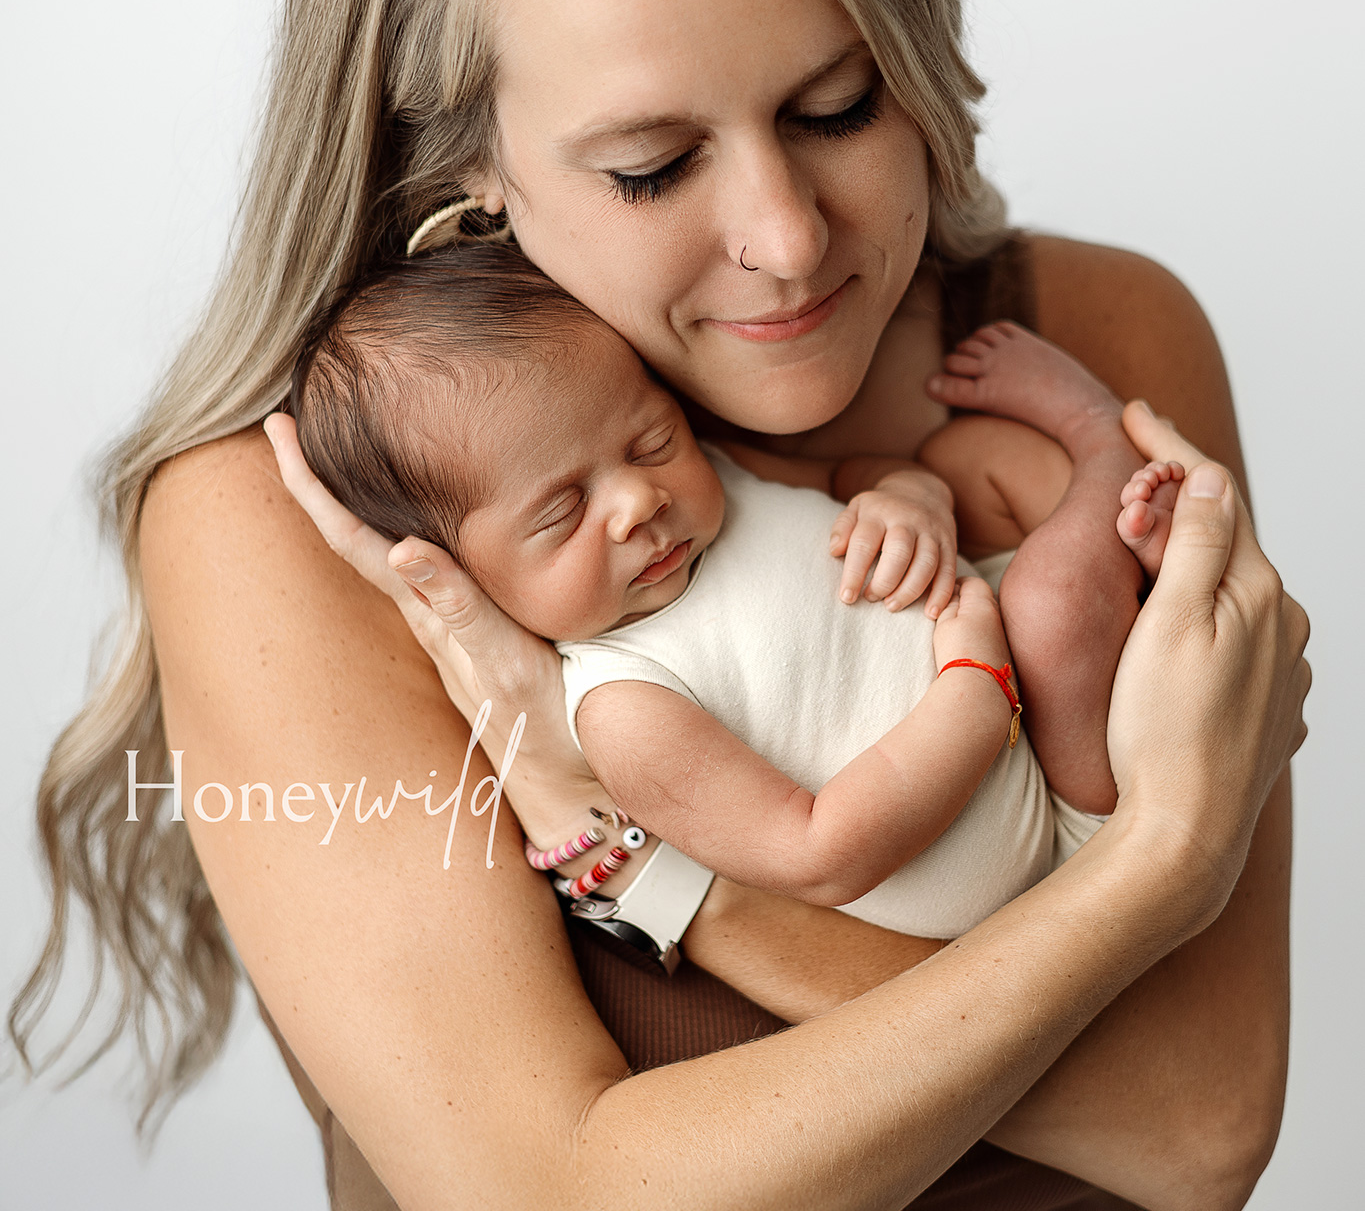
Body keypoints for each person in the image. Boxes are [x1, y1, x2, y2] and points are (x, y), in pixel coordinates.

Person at [11, 0, 1308, 1211]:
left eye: (840, 104)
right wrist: (1150, 866)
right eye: (651, 163)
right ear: (468, 172)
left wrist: (634, 859)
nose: (784, 236)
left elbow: (1194, 1125)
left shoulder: (1085, 341)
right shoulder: (303, 523)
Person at [288, 241, 1188, 937]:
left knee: (964, 459)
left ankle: (1133, 545)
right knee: (1053, 606)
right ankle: (1098, 436)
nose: (641, 498)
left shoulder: (712, 476)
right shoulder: (624, 704)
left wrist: (905, 499)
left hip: (1019, 675)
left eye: (649, 442)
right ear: (456, 574)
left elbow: (856, 470)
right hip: (1040, 836)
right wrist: (974, 693)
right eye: (561, 511)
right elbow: (818, 852)